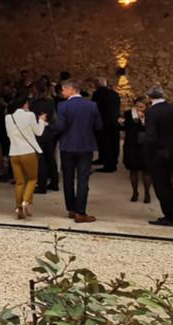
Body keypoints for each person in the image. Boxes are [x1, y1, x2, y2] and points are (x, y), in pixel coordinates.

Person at [53, 78, 101, 223]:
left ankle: (71, 209)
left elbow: (60, 127)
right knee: (82, 180)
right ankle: (81, 211)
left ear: (71, 89)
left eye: (63, 89)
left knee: (67, 179)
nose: (61, 92)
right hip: (85, 146)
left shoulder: (62, 106)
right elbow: (99, 126)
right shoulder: (92, 105)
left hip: (67, 145)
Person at [142, 86, 173, 227]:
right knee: (167, 184)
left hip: (158, 154)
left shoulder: (152, 112)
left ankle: (171, 217)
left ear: (149, 98)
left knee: (161, 187)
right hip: (172, 150)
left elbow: (151, 137)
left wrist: (145, 154)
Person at [5, 97, 47, 219]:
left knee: (19, 182)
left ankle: (18, 208)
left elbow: (9, 135)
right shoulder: (29, 115)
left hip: (14, 153)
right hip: (28, 152)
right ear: (24, 105)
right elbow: (38, 132)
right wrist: (42, 121)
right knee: (32, 179)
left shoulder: (8, 118)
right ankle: (26, 202)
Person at [119, 97, 151, 203]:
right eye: (137, 106)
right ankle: (135, 192)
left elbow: (152, 129)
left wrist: (143, 121)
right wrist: (121, 123)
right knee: (133, 169)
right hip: (131, 144)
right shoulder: (128, 114)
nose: (139, 108)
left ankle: (147, 193)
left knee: (146, 170)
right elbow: (125, 128)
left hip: (145, 145)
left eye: (141, 106)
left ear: (146, 106)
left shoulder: (150, 115)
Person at [30, 82, 60, 193]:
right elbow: (54, 118)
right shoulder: (51, 102)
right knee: (50, 158)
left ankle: (42, 185)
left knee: (40, 160)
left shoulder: (34, 104)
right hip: (49, 133)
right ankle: (54, 182)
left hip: (39, 133)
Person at [91, 78, 121, 173]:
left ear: (97, 85)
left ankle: (108, 164)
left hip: (103, 122)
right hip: (114, 122)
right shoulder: (114, 94)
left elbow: (95, 108)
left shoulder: (97, 94)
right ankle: (111, 161)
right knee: (113, 143)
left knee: (104, 143)